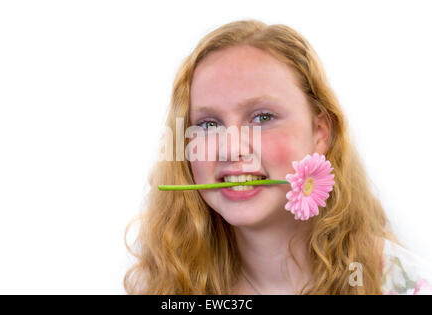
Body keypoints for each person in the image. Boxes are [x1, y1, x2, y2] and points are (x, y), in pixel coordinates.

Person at [124, 19, 432, 294]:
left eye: (262, 118)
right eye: (209, 124)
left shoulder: (404, 285)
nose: (231, 149)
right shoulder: (166, 287)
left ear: (320, 132)